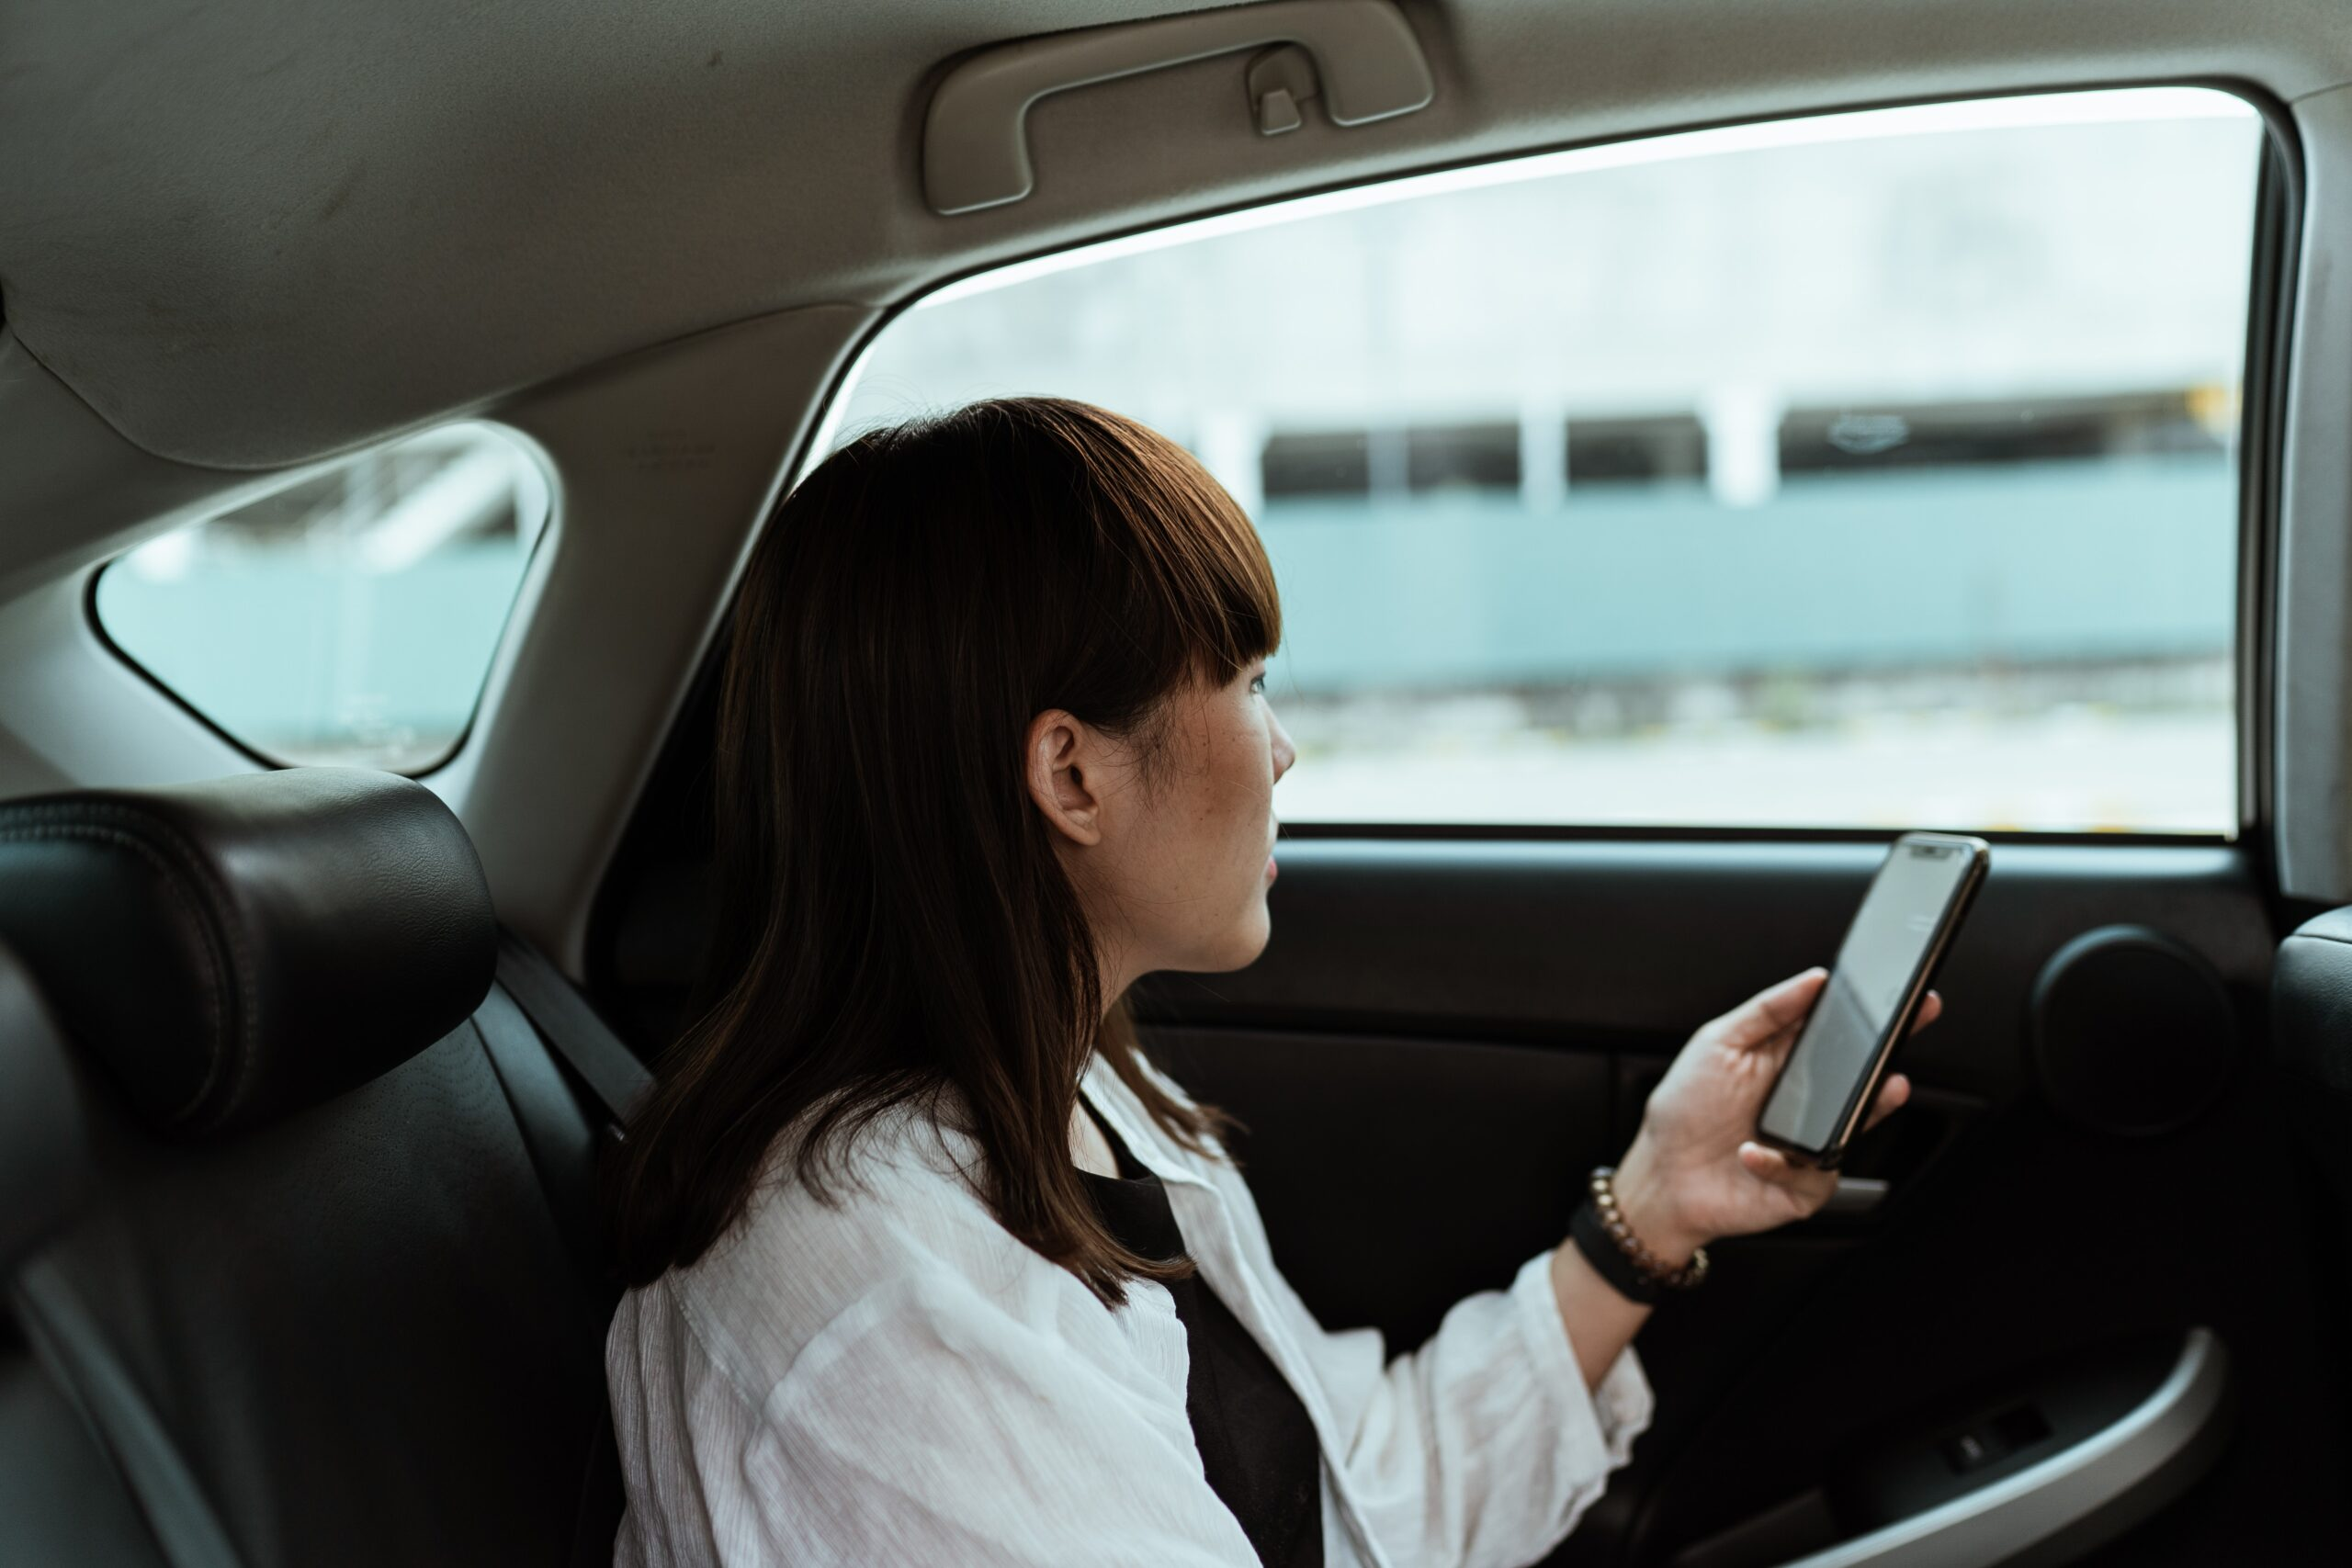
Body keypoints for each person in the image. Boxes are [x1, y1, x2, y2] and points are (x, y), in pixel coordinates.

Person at [600, 397, 1927, 1568]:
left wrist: (1649, 1206)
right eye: (1245, 679)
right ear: (1073, 776)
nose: (1282, 750)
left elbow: (1352, 1502)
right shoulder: (887, 1301)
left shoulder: (1083, 1101)